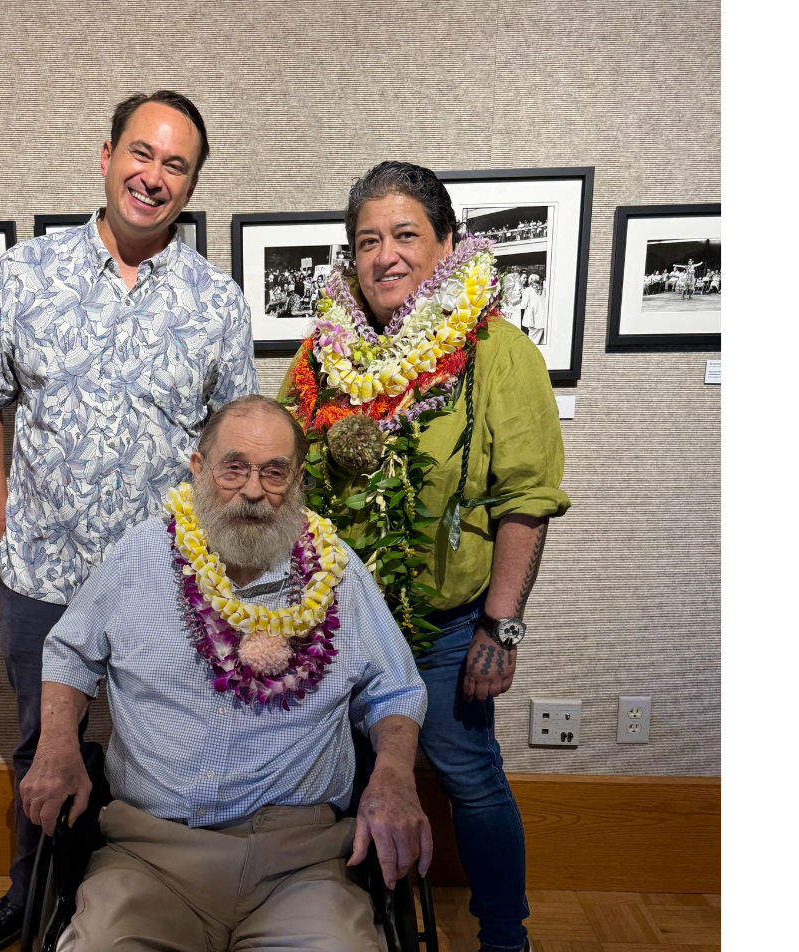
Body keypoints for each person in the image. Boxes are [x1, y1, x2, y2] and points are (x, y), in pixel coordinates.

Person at [0, 90, 259, 952]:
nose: (153, 178)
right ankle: (33, 899)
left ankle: (131, 915)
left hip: (161, 582)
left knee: (157, 754)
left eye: (175, 166)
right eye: (141, 154)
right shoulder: (26, 273)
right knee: (45, 751)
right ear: (107, 154)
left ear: (191, 186)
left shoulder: (215, 301)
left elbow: (234, 445)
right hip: (43, 576)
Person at [280, 162, 570, 952]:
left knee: (469, 778)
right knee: (338, 784)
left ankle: (504, 938)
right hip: (336, 626)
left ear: (447, 243)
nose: (386, 255)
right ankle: (360, 929)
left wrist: (499, 627)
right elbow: (284, 471)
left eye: (406, 235)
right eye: (367, 240)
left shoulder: (497, 353)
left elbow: (526, 499)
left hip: (447, 627)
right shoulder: (318, 357)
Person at [24, 395, 431, 952]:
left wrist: (394, 777)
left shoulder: (335, 571)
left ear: (296, 479)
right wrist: (54, 748)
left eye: (275, 472)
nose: (254, 491)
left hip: (304, 861)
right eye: (234, 467)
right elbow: (71, 652)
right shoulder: (141, 555)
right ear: (198, 469)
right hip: (151, 854)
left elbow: (396, 688)